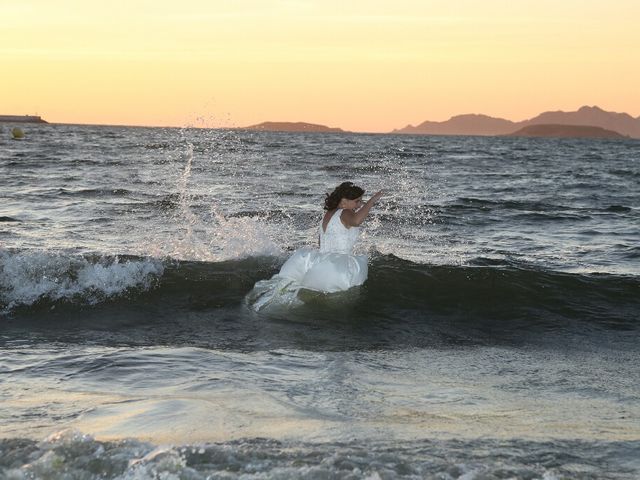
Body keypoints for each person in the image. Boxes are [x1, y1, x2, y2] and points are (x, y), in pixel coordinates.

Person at [248, 182, 383, 310]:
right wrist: (372, 201)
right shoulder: (345, 212)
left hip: (318, 259)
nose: (359, 204)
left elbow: (321, 242)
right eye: (357, 201)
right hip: (335, 266)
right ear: (344, 200)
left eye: (361, 201)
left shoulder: (329, 214)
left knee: (294, 297)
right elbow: (357, 221)